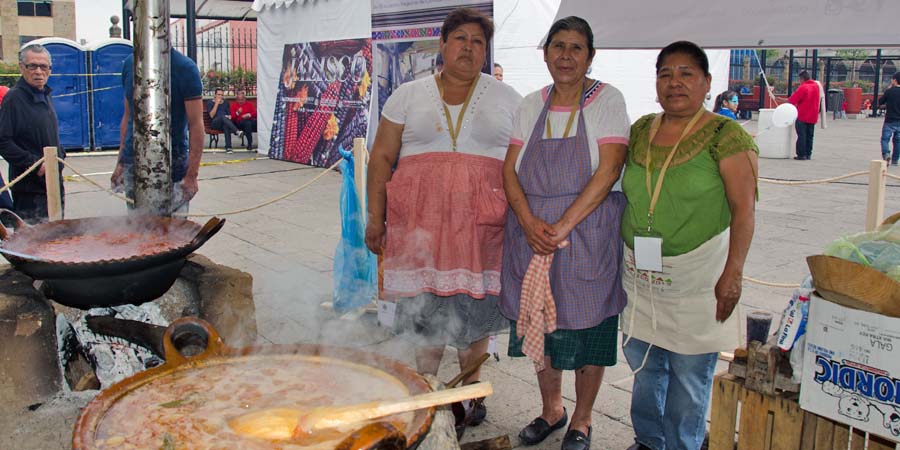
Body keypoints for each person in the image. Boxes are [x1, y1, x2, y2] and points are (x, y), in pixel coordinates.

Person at [365, 7, 521, 428]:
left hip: (480, 228)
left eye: (477, 42)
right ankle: (429, 391)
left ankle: (469, 395)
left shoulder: (509, 99)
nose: (469, 48)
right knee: (425, 314)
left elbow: (522, 166)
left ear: (485, 52)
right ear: (443, 44)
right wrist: (374, 218)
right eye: (461, 39)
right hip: (420, 229)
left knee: (477, 319)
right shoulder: (407, 95)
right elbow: (380, 158)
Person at [500, 16, 630, 450]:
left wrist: (561, 227)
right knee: (542, 330)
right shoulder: (529, 105)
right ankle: (551, 409)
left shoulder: (606, 100)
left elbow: (609, 169)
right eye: (558, 46)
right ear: (546, 53)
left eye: (576, 48)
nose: (566, 56)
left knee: (588, 331)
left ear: (590, 56)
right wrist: (525, 220)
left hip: (584, 236)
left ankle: (583, 418)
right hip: (533, 235)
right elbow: (509, 170)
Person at [620, 41, 757, 450]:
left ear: (707, 82)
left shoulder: (727, 136)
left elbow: (744, 211)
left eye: (686, 73)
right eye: (665, 74)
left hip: (699, 278)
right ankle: (648, 440)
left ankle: (683, 444)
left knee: (689, 376)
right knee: (645, 367)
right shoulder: (642, 129)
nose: (674, 82)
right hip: (641, 274)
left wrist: (733, 275)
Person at [112, 49, 204, 212]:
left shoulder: (185, 68)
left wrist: (192, 175)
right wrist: (121, 162)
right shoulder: (129, 65)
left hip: (173, 164)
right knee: (137, 228)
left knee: (173, 231)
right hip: (133, 163)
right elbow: (128, 116)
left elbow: (196, 124)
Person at [0, 44, 65, 224]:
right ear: (22, 68)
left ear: (49, 70)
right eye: (32, 66)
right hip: (30, 190)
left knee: (58, 238)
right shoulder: (13, 98)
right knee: (37, 242)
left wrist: (61, 155)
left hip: (53, 183)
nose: (38, 71)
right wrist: (35, 164)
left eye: (43, 66)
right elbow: (3, 141)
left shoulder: (46, 94)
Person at [788, 70, 820, 160]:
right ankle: (808, 153)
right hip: (813, 115)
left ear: (802, 78)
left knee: (801, 135)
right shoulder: (816, 86)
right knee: (810, 135)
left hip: (803, 114)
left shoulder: (803, 87)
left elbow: (793, 100)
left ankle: (801, 154)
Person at [207, 88, 240, 153]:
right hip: (215, 123)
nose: (220, 96)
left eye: (222, 95)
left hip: (224, 122)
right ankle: (237, 131)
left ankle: (228, 147)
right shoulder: (210, 102)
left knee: (226, 126)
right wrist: (216, 104)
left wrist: (229, 116)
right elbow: (211, 115)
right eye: (218, 94)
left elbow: (229, 114)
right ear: (215, 95)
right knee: (222, 117)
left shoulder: (226, 103)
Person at [878, 72, 900, 166]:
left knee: (885, 139)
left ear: (895, 80)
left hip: (889, 120)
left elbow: (881, 101)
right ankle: (895, 160)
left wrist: (888, 90)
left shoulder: (890, 91)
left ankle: (886, 153)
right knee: (898, 141)